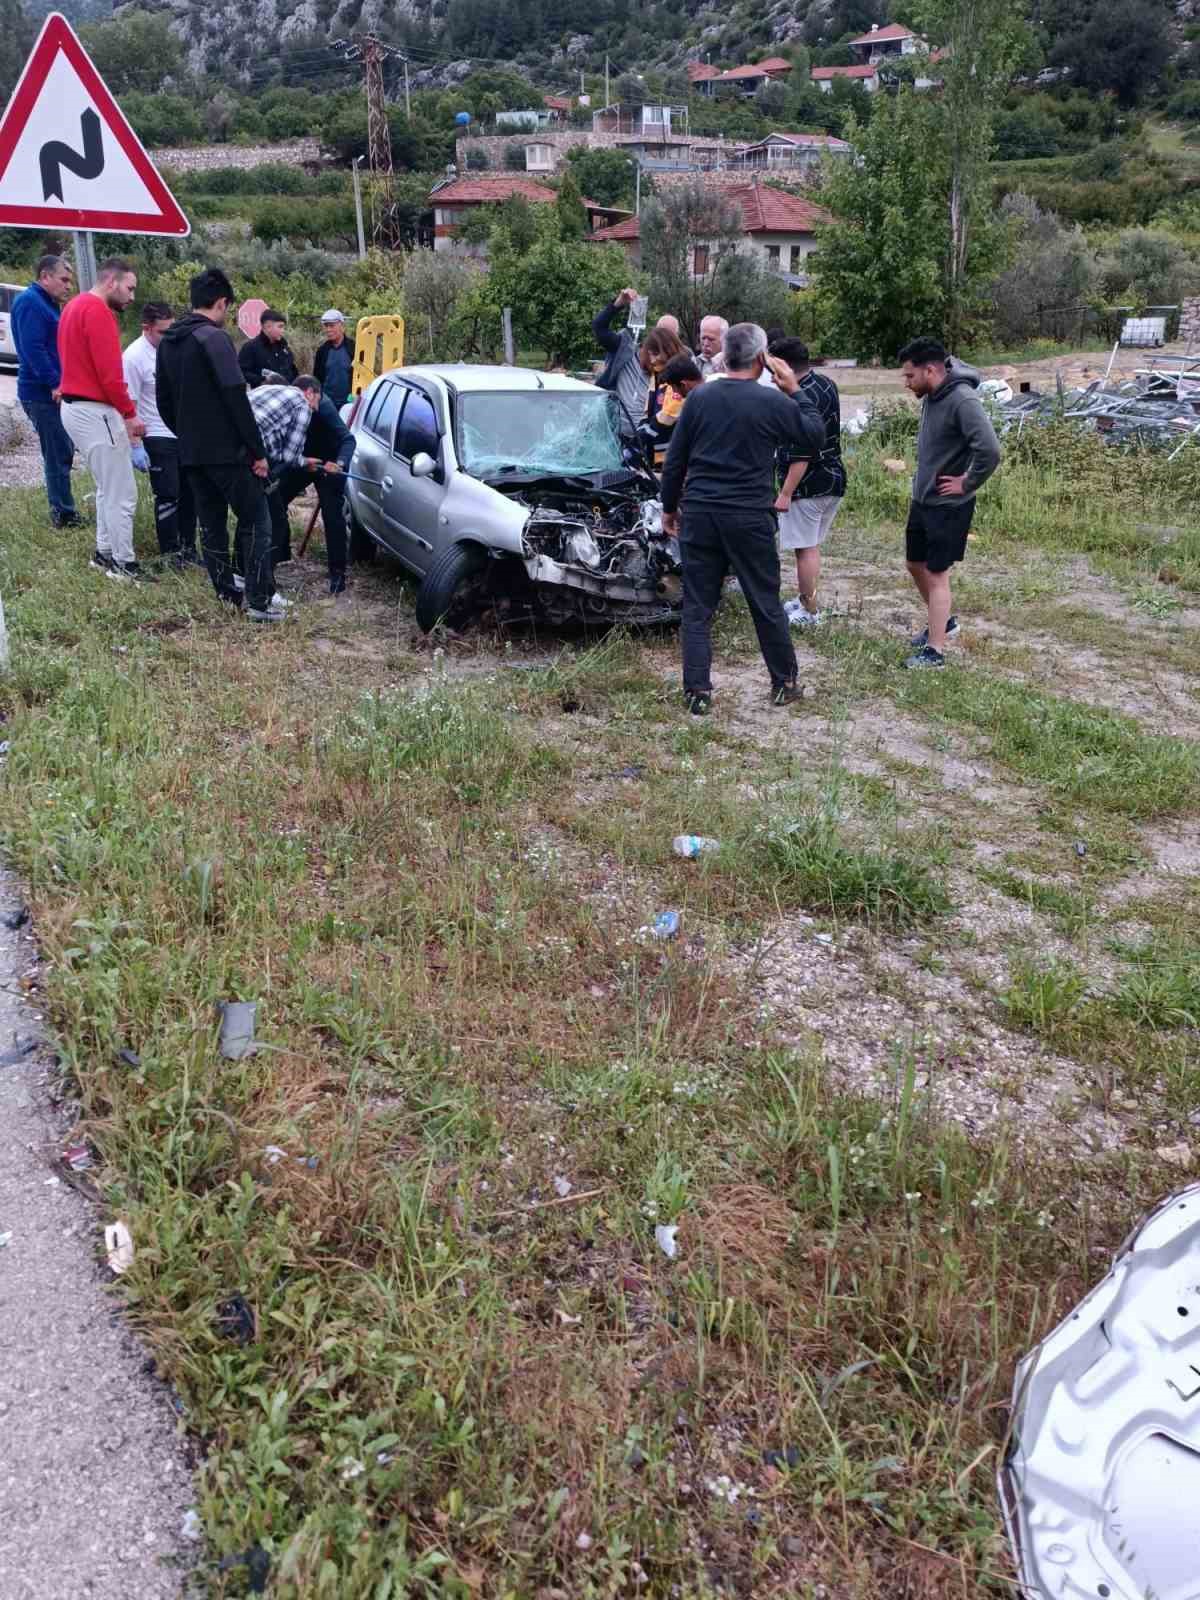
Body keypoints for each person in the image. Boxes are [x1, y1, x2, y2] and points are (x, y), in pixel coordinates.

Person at [660, 322, 825, 714]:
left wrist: (669, 508)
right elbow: (814, 436)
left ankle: (697, 692)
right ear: (762, 359)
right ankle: (784, 684)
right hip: (749, 516)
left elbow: (675, 461)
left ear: (726, 354)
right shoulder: (773, 401)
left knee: (698, 606)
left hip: (700, 512)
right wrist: (795, 389)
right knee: (764, 600)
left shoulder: (699, 399)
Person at [156, 267, 280, 622]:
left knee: (211, 525)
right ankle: (258, 602)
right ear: (222, 302)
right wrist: (257, 452)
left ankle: (227, 594)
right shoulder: (213, 339)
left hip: (192, 454)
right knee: (257, 519)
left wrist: (186, 434)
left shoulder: (169, 341)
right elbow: (235, 397)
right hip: (228, 453)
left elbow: (163, 399)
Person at [898, 336, 1001, 669]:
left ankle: (936, 650)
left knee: (937, 573)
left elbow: (990, 450)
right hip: (923, 498)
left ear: (930, 370)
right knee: (915, 564)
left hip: (948, 504)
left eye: (910, 376)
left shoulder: (962, 399)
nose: (906, 383)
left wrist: (967, 482)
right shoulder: (932, 394)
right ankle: (945, 622)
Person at [56, 257, 149, 580]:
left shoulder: (73, 306)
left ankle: (104, 553)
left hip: (75, 407)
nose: (132, 296)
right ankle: (125, 566)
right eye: (129, 288)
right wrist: (130, 414)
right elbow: (111, 375)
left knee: (106, 487)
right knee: (122, 493)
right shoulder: (98, 312)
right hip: (96, 411)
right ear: (112, 282)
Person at [769, 337, 846, 626]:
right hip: (833, 478)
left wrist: (786, 492)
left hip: (808, 484)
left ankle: (810, 611)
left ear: (784, 366)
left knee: (805, 548)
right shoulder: (826, 383)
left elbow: (802, 451)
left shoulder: (800, 398)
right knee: (811, 545)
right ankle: (805, 598)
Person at [123, 301, 200, 569]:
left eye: (172, 330)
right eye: (163, 332)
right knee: (168, 494)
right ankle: (170, 553)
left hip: (182, 433)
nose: (169, 336)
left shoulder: (173, 349)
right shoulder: (134, 357)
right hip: (155, 434)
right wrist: (135, 444)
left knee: (190, 494)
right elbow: (128, 404)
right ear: (147, 329)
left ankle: (189, 549)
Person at [11, 254, 80, 528]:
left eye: (70, 281)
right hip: (40, 393)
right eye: (63, 280)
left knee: (62, 448)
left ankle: (65, 509)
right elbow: (33, 350)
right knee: (56, 451)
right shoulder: (31, 302)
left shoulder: (48, 304)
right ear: (45, 276)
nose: (68, 286)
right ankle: (63, 514)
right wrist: (55, 383)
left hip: (50, 391)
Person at [279, 376, 356, 594]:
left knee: (333, 516)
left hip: (329, 464)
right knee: (276, 498)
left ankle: (337, 575)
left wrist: (340, 464)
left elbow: (348, 440)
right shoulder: (292, 403)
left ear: (313, 394)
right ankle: (280, 552)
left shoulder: (325, 409)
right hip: (302, 461)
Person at [591, 287, 649, 440]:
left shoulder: (670, 366)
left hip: (645, 439)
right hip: (614, 432)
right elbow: (599, 327)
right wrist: (618, 304)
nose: (656, 358)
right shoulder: (624, 348)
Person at [637, 325, 688, 471]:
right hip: (655, 453)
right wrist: (641, 430)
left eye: (656, 354)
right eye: (650, 354)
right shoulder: (656, 375)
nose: (652, 360)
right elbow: (649, 407)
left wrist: (646, 433)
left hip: (674, 454)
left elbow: (671, 413)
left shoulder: (680, 374)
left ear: (668, 350)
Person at [238, 308, 298, 389]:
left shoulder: (284, 347)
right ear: (267, 326)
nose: (283, 330)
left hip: (286, 394)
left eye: (283, 327)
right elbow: (241, 372)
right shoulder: (251, 347)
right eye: (280, 327)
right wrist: (263, 381)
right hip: (264, 396)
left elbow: (292, 370)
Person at [313, 310, 355, 411]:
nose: (328, 329)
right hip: (327, 403)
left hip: (349, 404)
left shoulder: (354, 348)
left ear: (341, 326)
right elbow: (317, 378)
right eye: (326, 326)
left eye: (332, 326)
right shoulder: (322, 351)